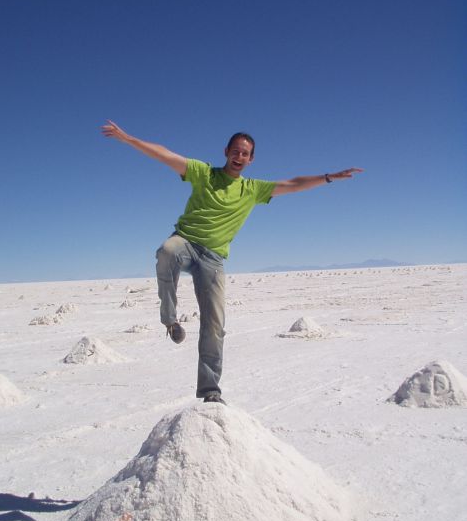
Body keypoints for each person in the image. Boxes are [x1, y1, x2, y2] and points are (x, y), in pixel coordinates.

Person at [102, 120, 363, 404]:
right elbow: (166, 155)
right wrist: (129, 139)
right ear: (226, 152)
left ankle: (210, 390)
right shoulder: (204, 173)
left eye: (245, 154)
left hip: (213, 259)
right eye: (235, 151)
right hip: (186, 243)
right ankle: (170, 320)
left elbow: (293, 184)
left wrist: (328, 177)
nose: (239, 156)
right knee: (166, 251)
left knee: (214, 325)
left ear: (251, 159)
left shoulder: (252, 189)